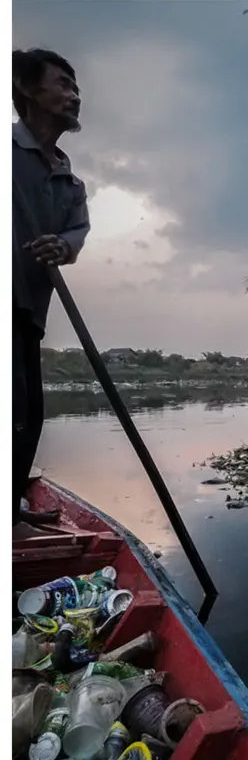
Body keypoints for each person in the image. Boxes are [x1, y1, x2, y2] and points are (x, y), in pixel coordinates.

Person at [13, 48, 90, 529]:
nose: (74, 96)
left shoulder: (70, 182)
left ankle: (11, 510)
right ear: (26, 88)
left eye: (76, 88)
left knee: (29, 416)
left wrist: (62, 245)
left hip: (27, 310)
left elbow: (77, 235)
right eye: (63, 84)